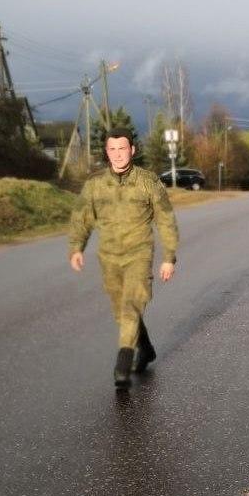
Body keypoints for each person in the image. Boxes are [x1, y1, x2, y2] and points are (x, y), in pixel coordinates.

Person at [68, 127, 179, 388]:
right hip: (108, 257)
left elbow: (165, 220)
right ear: (107, 152)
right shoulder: (95, 184)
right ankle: (146, 348)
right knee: (121, 311)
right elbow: (82, 218)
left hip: (138, 253)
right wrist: (76, 248)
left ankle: (123, 361)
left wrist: (168, 256)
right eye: (112, 149)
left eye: (122, 148)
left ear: (132, 150)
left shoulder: (148, 181)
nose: (118, 154)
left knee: (132, 306)